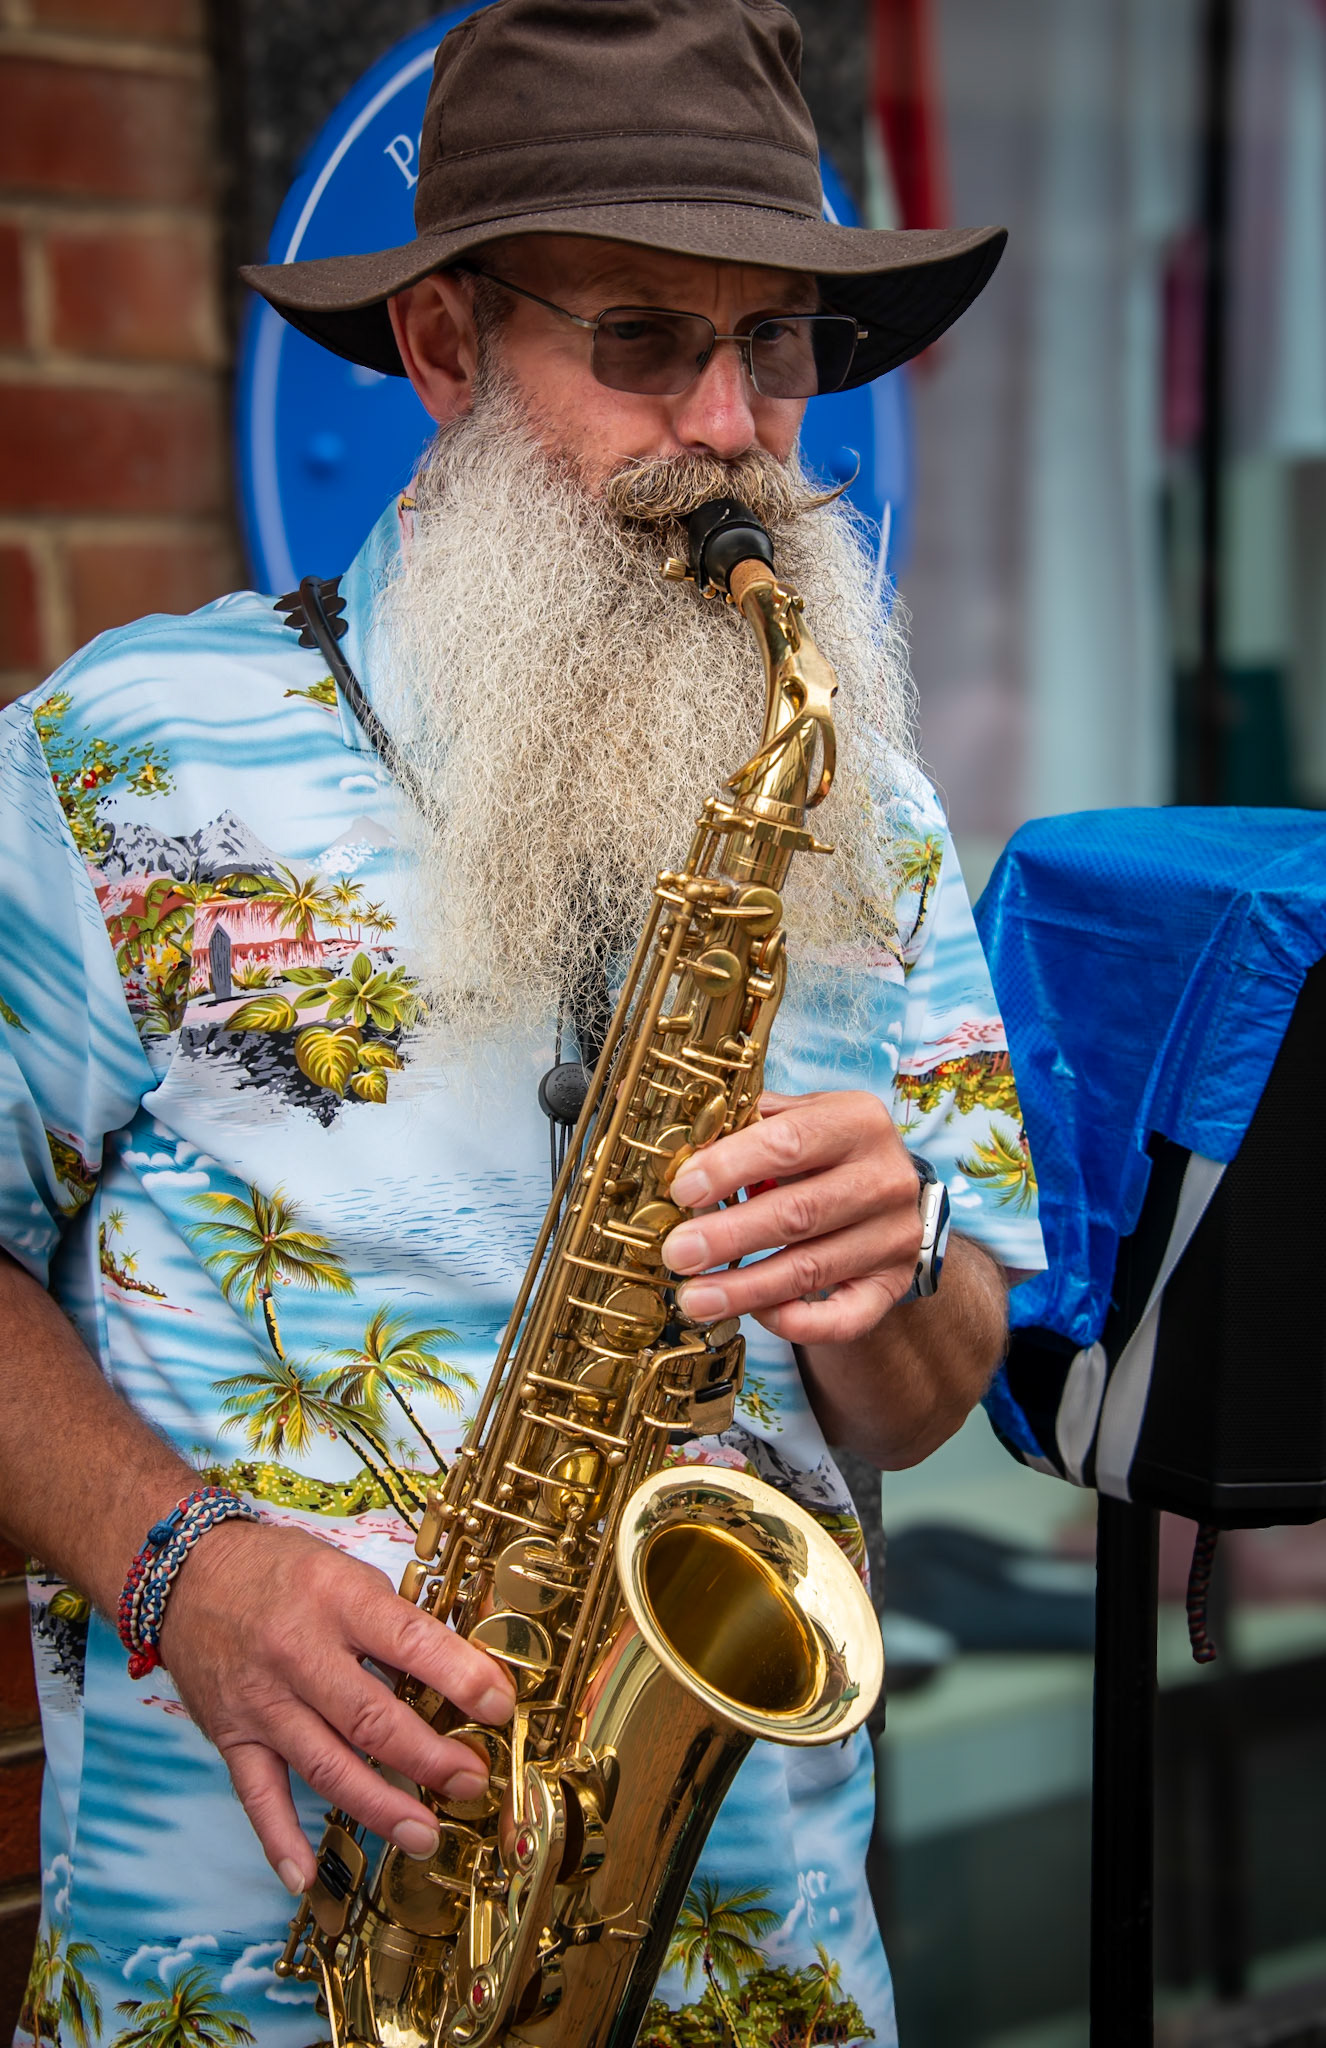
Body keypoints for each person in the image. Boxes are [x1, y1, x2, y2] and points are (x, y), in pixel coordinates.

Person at [0, 2, 1043, 2043]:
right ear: (448, 350)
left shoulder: (869, 798)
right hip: (245, 1985)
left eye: (779, 348)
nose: (736, 430)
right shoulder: (114, 762)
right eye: (642, 343)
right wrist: (179, 1564)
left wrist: (907, 1270)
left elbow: (929, 1397)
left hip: (763, 1983)